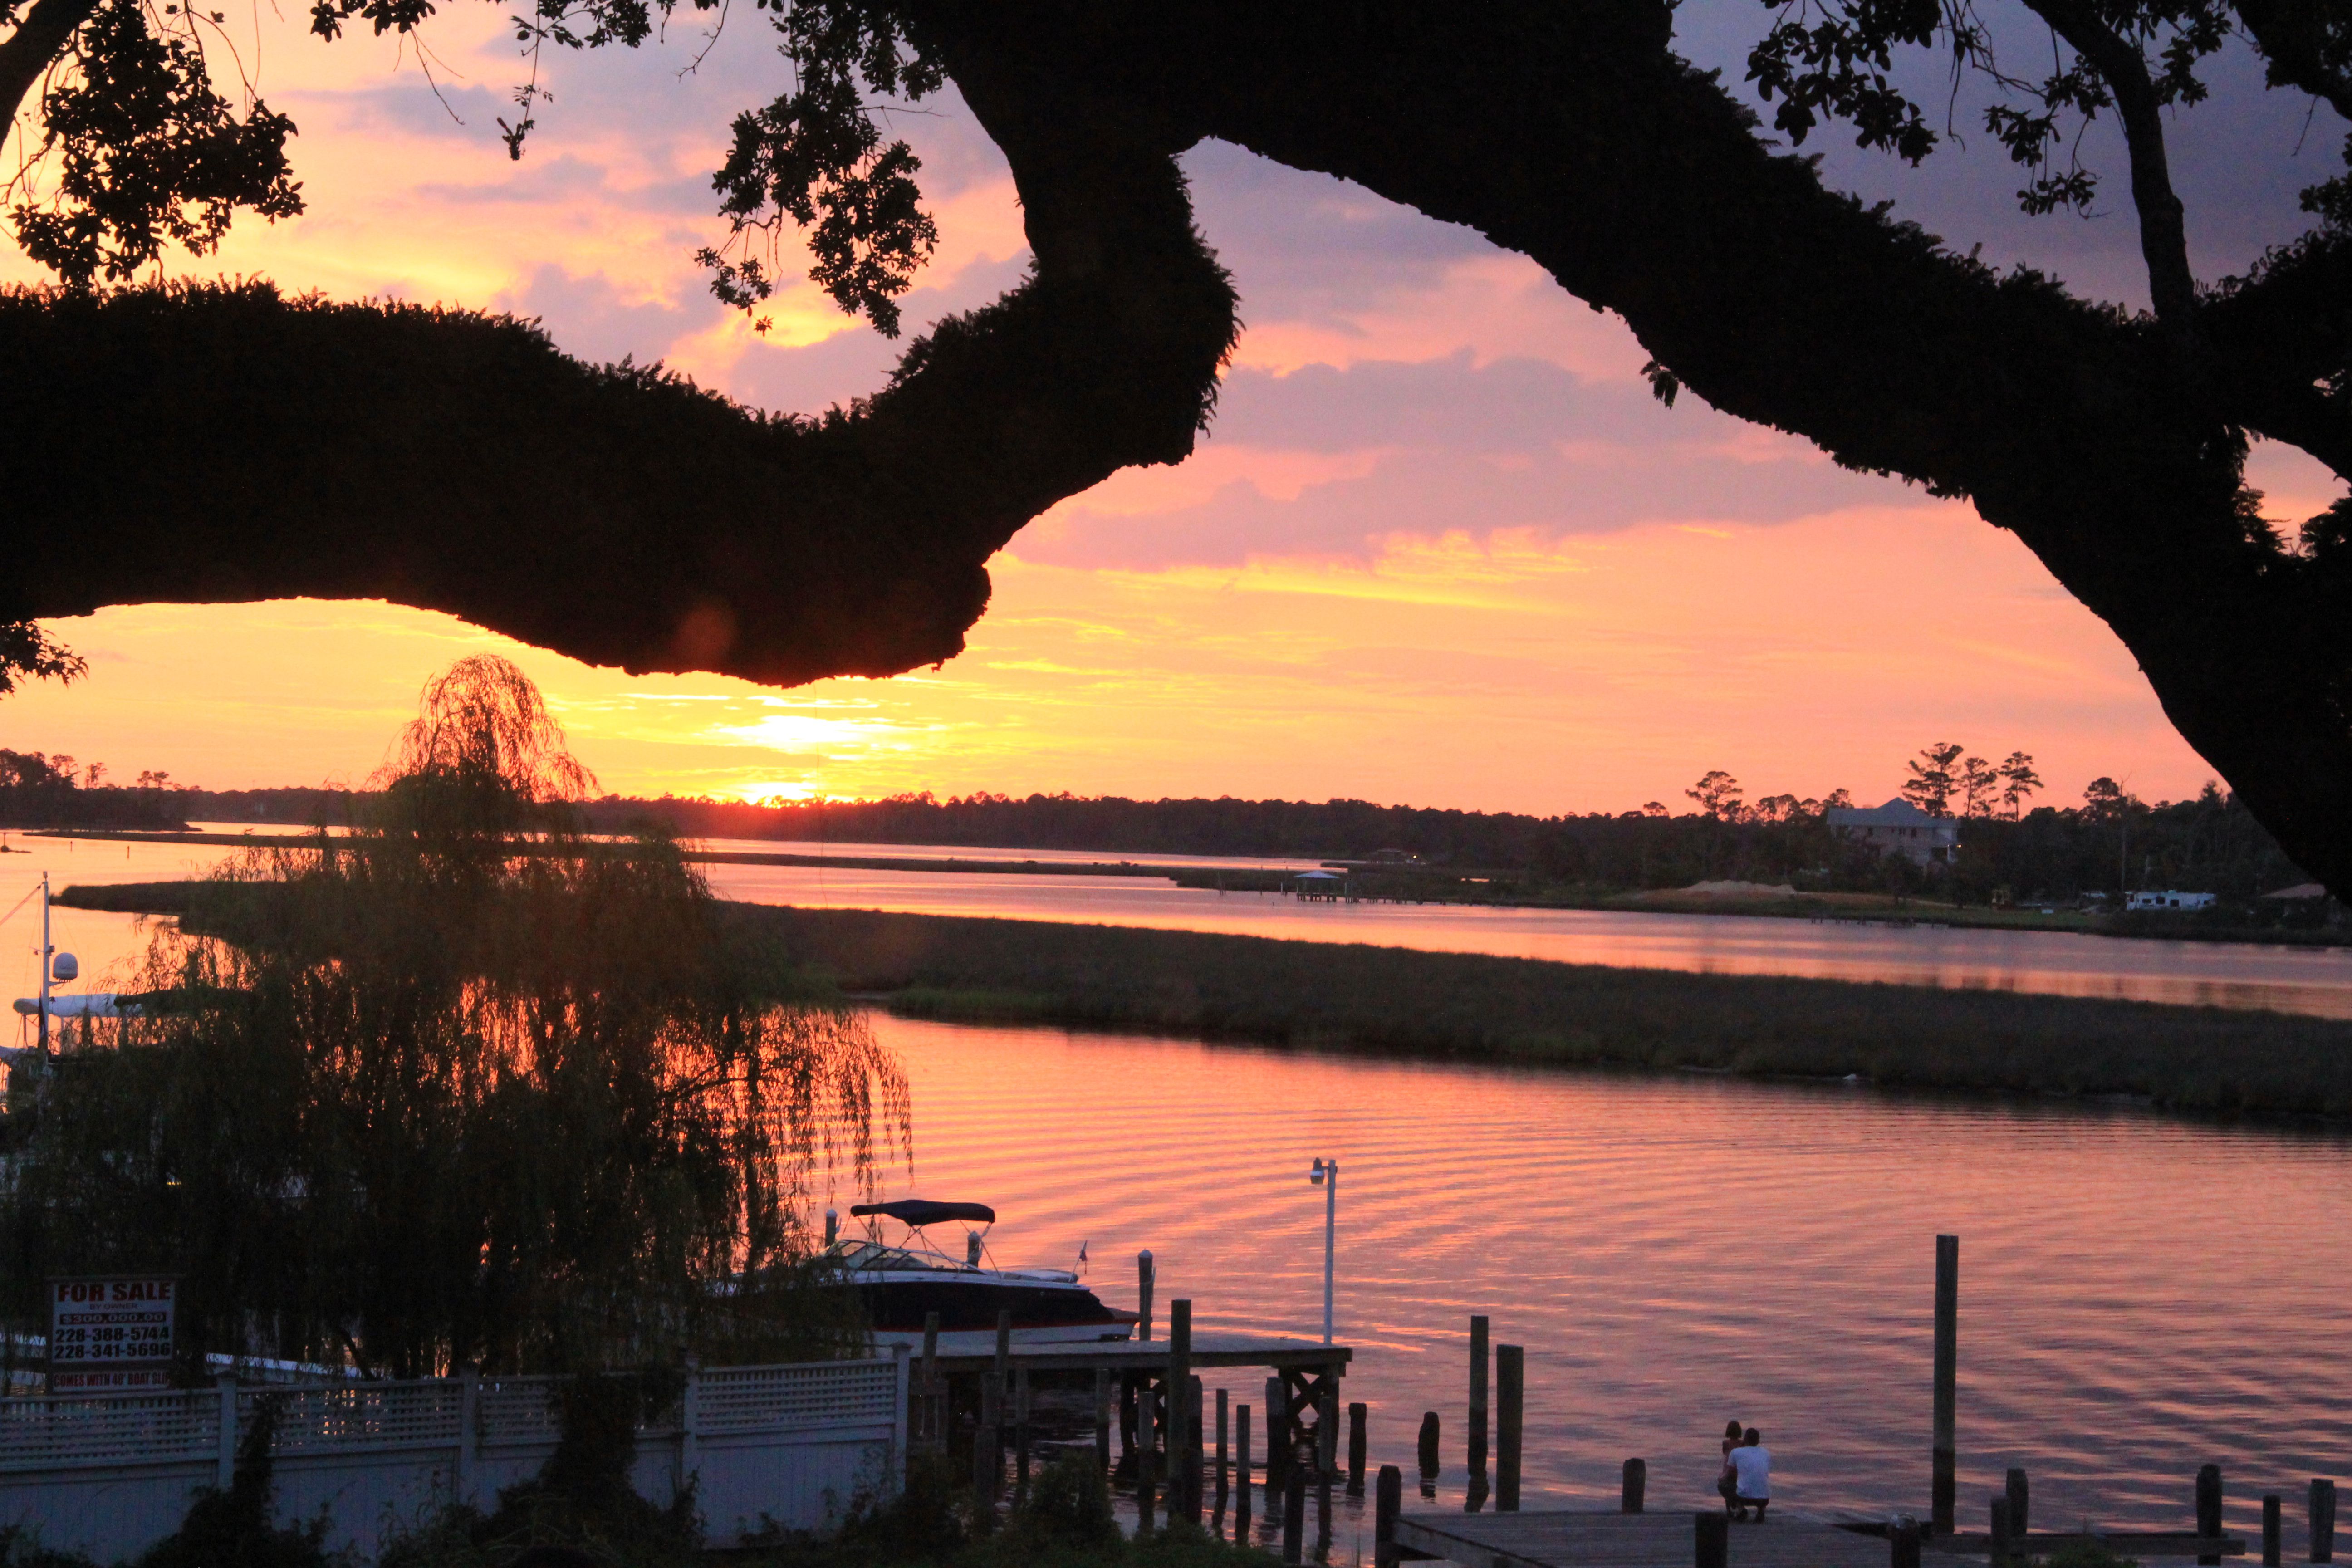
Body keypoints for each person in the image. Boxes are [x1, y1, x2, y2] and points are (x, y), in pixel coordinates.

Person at [1727, 1428, 1772, 1521]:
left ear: (1745, 1440)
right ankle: (1761, 1510)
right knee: (1760, 1480)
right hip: (1765, 1498)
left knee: (1725, 1485)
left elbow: (1730, 1474)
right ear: (1758, 1441)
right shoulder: (1766, 1453)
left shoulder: (1736, 1452)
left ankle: (1741, 1508)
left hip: (1744, 1498)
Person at [1715, 1420, 1743, 1511]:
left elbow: (1724, 1453)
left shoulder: (1726, 1443)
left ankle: (1729, 1510)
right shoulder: (1742, 1444)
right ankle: (1737, 1505)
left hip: (1728, 1469)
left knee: (1724, 1484)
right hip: (1738, 1471)